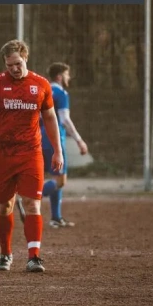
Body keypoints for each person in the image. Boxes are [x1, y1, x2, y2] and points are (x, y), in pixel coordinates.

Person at [0, 39, 63, 273]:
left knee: (32, 204)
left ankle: (34, 256)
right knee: (5, 206)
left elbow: (51, 118)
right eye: (9, 65)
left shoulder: (41, 85)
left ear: (26, 58)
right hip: (1, 155)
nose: (14, 68)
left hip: (30, 153)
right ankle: (5, 254)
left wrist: (57, 150)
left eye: (17, 63)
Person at [38, 62, 88, 228]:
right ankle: (29, 199)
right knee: (60, 181)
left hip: (39, 138)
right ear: (59, 76)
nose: (69, 78)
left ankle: (56, 217)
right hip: (55, 139)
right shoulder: (61, 93)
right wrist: (80, 140)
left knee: (55, 177)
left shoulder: (42, 91)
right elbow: (65, 120)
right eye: (67, 74)